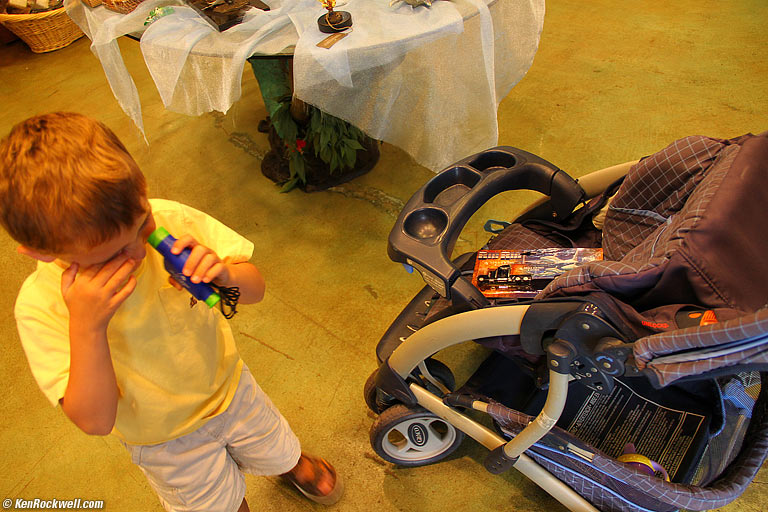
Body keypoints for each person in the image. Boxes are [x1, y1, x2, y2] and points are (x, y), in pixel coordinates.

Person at [0, 112, 343, 512]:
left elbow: (255, 291)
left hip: (232, 391)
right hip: (166, 441)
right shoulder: (41, 306)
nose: (136, 253)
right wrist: (87, 328)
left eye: (141, 224)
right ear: (41, 252)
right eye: (109, 257)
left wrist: (225, 272)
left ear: (141, 188)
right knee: (219, 506)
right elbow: (95, 421)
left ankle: (289, 463)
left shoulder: (170, 221)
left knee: (275, 444)